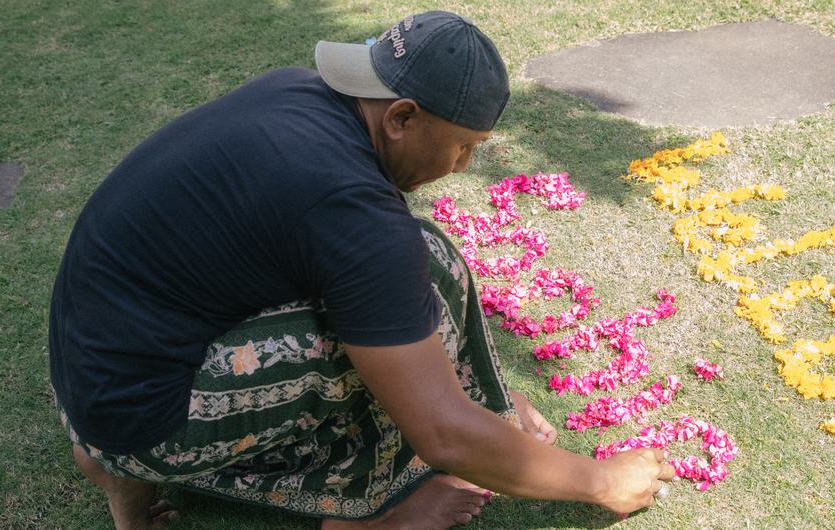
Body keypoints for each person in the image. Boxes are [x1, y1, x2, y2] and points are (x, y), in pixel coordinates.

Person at [49, 11, 674, 530]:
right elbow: (442, 435)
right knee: (389, 333)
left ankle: (115, 473)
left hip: (93, 372)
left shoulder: (296, 91)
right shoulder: (354, 215)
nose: (461, 167)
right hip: (143, 418)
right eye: (464, 146)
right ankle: (368, 514)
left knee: (419, 263)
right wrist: (601, 481)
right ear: (401, 118)